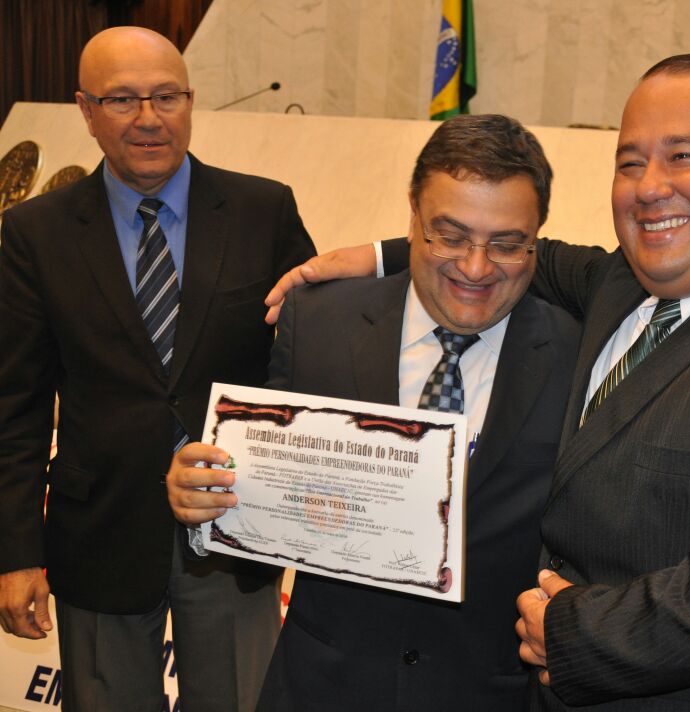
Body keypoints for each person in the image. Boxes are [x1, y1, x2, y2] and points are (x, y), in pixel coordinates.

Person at [262, 54, 690, 710]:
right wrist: (383, 254)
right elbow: (505, 249)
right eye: (630, 163)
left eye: (684, 156)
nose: (650, 185)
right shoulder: (619, 285)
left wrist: (579, 633)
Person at [167, 114, 581, 710]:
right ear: (413, 215)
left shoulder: (577, 355)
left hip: (488, 694)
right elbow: (257, 525)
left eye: (508, 244)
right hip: (321, 686)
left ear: (538, 236)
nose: (475, 267)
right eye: (451, 235)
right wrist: (202, 506)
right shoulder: (317, 325)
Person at [0, 27, 316, 712]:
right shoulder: (36, 233)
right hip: (99, 535)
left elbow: (306, 368)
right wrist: (17, 554)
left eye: (165, 96)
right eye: (122, 99)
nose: (149, 118)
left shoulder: (265, 211)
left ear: (191, 101)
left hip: (235, 531)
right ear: (85, 110)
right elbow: (16, 410)